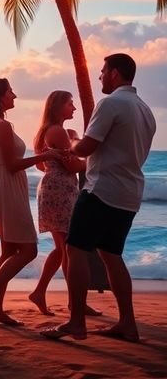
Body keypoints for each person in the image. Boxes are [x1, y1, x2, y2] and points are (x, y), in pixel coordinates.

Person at [43, 54, 156, 342]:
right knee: (112, 255)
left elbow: (86, 148)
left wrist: (71, 142)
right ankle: (127, 323)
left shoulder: (111, 103)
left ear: (115, 74)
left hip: (101, 189)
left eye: (103, 71)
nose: (100, 76)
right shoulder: (145, 110)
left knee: (76, 250)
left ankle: (76, 322)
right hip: (129, 193)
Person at [0, 79, 62, 326]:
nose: (15, 95)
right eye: (10, 91)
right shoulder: (2, 126)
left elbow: (4, 163)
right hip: (7, 185)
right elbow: (12, 165)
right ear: (0, 97)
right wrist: (46, 155)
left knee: (9, 251)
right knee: (29, 250)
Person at [28, 91, 102, 317]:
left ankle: (42, 293)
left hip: (53, 188)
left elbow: (43, 166)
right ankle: (74, 302)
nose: (74, 108)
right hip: (60, 190)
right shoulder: (57, 131)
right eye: (70, 104)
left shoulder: (47, 130)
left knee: (63, 249)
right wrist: (92, 160)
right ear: (59, 106)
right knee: (67, 249)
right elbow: (72, 166)